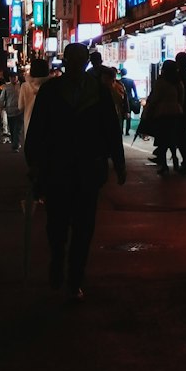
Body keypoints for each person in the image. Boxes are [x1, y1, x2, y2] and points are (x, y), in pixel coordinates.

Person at [24, 42, 126, 300]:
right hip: (61, 168)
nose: (77, 65)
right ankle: (60, 263)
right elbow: (38, 130)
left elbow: (111, 131)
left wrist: (118, 161)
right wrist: (34, 162)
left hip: (83, 169)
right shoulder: (54, 91)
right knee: (60, 224)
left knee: (82, 226)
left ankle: (73, 276)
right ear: (67, 62)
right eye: (74, 60)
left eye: (80, 60)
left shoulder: (96, 93)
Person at [137, 60, 185, 174]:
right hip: (176, 113)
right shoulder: (178, 82)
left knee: (163, 140)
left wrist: (148, 112)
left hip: (162, 114)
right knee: (172, 140)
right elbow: (181, 98)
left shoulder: (161, 82)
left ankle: (164, 166)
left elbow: (154, 99)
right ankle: (175, 161)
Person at [19, 57, 50, 137]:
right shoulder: (52, 85)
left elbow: (20, 107)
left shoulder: (25, 86)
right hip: (48, 123)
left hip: (30, 122)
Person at [1, 71, 26, 151]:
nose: (13, 79)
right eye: (12, 77)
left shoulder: (22, 86)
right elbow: (2, 99)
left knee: (17, 129)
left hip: (20, 111)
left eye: (15, 77)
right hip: (10, 111)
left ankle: (15, 145)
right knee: (12, 129)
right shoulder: (6, 87)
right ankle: (15, 142)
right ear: (9, 78)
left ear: (17, 78)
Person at [118, 65, 140, 137]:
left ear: (120, 73)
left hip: (121, 100)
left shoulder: (118, 82)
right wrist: (135, 98)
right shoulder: (131, 81)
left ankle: (121, 130)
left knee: (121, 115)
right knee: (128, 115)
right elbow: (135, 92)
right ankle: (127, 131)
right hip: (129, 100)